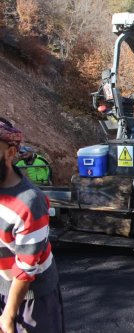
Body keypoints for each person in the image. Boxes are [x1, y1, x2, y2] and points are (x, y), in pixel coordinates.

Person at [0, 117, 64, 332]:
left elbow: (26, 270)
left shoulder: (29, 203)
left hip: (30, 296)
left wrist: (8, 316)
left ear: (10, 153)